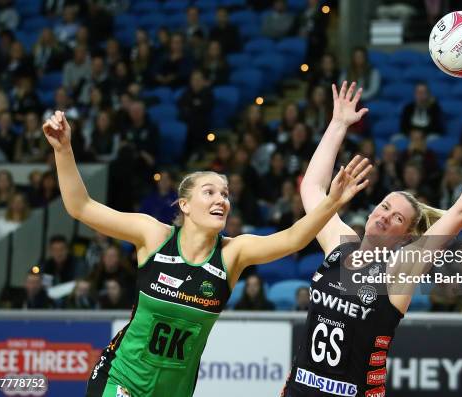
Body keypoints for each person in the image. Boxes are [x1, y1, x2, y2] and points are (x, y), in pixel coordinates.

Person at [42, 109, 371, 397]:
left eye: (225, 194)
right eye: (210, 192)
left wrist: (332, 203)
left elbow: (294, 239)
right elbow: (80, 206)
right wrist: (63, 149)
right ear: (185, 205)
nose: (221, 200)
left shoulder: (232, 254)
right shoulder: (153, 236)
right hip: (121, 377)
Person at [281, 81, 462, 396]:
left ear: (406, 237)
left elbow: (461, 211)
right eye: (385, 206)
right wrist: (338, 124)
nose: (385, 215)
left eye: (397, 217)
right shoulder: (340, 243)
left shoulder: (400, 267)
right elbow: (311, 189)